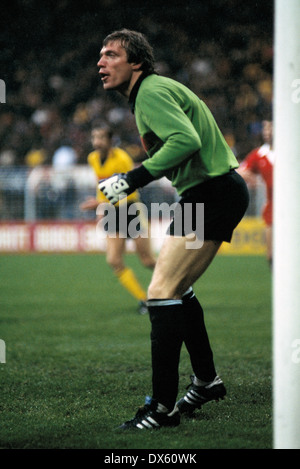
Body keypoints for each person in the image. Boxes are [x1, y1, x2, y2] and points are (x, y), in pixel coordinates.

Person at [97, 29, 249, 429]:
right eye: (101, 56)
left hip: (209, 195)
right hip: (204, 194)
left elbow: (185, 139)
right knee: (176, 288)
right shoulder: (152, 91)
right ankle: (206, 380)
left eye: (111, 55)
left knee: (161, 291)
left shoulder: (149, 91)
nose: (101, 62)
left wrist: (131, 179)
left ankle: (162, 409)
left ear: (136, 63)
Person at [80, 124, 156, 314]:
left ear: (110, 141)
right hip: (111, 211)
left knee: (147, 260)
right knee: (114, 259)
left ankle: (181, 284)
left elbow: (126, 189)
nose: (96, 142)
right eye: (94, 137)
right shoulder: (93, 158)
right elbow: (101, 186)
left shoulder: (122, 159)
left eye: (101, 137)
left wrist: (100, 206)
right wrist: (101, 208)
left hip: (130, 208)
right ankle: (144, 300)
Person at [238, 120, 273, 267]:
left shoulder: (293, 150)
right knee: (271, 256)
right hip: (272, 210)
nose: (267, 131)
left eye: (270, 127)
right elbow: (241, 171)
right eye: (265, 128)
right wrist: (250, 177)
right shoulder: (260, 154)